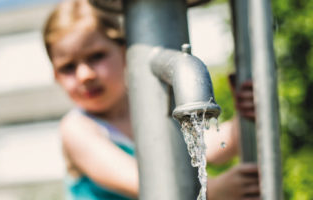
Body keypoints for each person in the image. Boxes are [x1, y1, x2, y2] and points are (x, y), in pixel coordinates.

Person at [42, 0, 259, 199]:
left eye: (96, 56)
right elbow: (145, 184)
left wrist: (245, 117)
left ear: (125, 52)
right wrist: (214, 191)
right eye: (68, 67)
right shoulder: (77, 129)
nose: (85, 75)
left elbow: (208, 148)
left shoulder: (154, 108)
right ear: (55, 76)